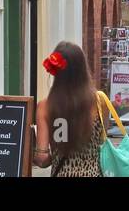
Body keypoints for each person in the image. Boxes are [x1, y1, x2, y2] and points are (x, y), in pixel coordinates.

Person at [32, 42, 105, 177]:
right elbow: (102, 142)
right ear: (83, 68)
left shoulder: (45, 107)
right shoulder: (99, 102)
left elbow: (42, 160)